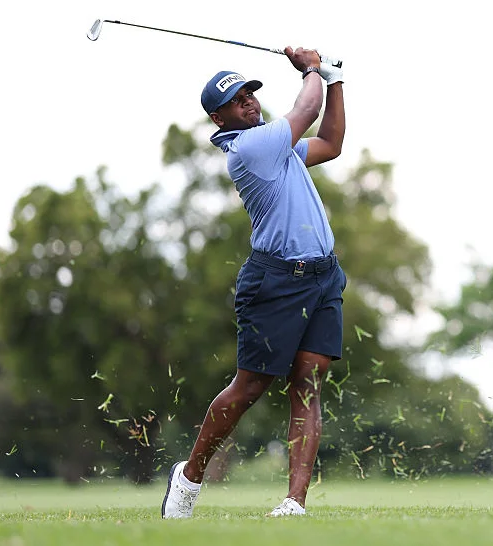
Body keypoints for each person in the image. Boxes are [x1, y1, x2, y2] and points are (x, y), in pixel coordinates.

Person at [161, 47, 346, 519]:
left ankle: (293, 503)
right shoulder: (250, 148)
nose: (248, 102)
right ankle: (188, 479)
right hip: (276, 282)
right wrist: (311, 70)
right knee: (250, 387)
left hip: (322, 277)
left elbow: (331, 142)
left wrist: (337, 79)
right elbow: (307, 109)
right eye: (236, 100)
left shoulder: (277, 147)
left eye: (250, 94)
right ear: (218, 117)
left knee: (307, 384)